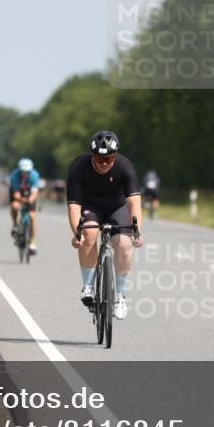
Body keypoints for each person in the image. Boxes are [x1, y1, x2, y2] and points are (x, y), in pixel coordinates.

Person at [67, 130, 143, 320]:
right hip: (90, 207)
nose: (104, 164)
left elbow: (134, 205)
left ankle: (120, 296)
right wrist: (78, 234)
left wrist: (137, 232)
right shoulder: (79, 167)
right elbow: (74, 207)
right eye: (100, 159)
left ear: (115, 157)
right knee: (89, 235)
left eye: (109, 159)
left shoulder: (125, 166)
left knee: (124, 245)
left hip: (117, 207)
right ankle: (88, 286)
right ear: (92, 156)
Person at [8, 158, 40, 255]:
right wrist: (21, 200)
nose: (26, 174)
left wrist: (30, 199)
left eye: (28, 172)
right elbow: (16, 194)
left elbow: (35, 192)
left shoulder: (34, 176)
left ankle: (32, 242)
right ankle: (15, 224)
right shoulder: (15, 175)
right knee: (15, 206)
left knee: (32, 216)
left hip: (29, 193)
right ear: (20, 170)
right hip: (17, 193)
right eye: (24, 172)